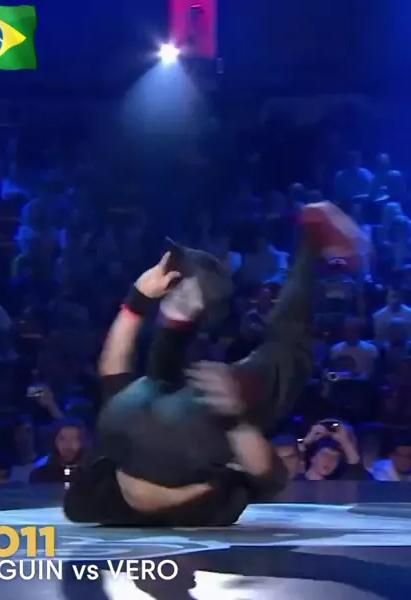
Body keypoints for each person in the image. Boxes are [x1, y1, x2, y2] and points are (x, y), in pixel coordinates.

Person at [64, 202, 366, 526]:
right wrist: (135, 303)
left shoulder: (104, 496)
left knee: (280, 351)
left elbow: (271, 476)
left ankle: (309, 240)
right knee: (159, 388)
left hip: (153, 438)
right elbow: (112, 376)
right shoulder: (203, 494)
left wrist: (235, 422)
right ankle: (179, 317)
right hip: (125, 431)